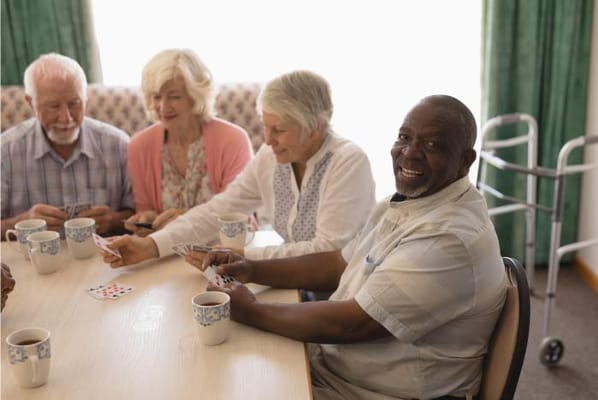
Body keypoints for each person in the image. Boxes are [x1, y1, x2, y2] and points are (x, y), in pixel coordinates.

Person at [188, 95, 508, 399]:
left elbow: (354, 323)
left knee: (226, 383)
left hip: (380, 393)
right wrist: (253, 269)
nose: (410, 152)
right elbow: (338, 264)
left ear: (465, 161)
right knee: (218, 373)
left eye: (432, 144)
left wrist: (251, 310)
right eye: (404, 137)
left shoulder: (449, 238)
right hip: (339, 370)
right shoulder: (408, 202)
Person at [102, 70, 375, 265]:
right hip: (291, 280)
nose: (267, 140)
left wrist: (241, 257)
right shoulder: (271, 156)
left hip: (340, 291)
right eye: (265, 126)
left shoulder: (348, 161)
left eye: (278, 129)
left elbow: (329, 251)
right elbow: (218, 210)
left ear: (315, 128)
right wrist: (151, 246)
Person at [1, 53, 134, 237]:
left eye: (74, 103)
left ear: (86, 98)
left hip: (103, 261)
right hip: (30, 264)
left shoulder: (119, 145)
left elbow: (142, 217)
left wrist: (113, 221)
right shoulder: (5, 151)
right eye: (53, 106)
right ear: (31, 103)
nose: (66, 118)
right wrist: (20, 223)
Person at [125, 49, 253, 235]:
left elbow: (238, 216)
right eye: (157, 97)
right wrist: (146, 220)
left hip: (224, 252)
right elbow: (144, 209)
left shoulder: (233, 141)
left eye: (174, 96)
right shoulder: (139, 146)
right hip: (165, 252)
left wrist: (186, 219)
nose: (163, 107)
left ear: (196, 96)